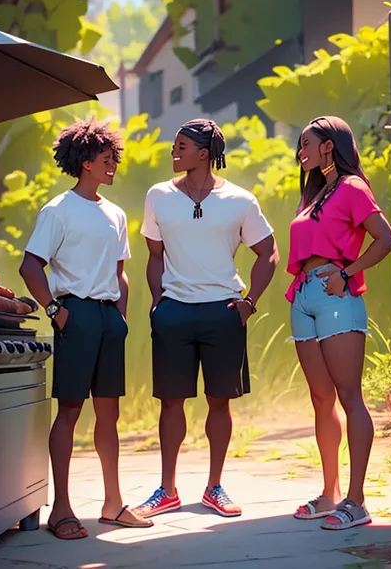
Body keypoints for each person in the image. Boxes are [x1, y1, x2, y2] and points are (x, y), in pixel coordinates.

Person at [135, 119, 278, 519]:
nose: (173, 151)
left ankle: (215, 486)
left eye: (181, 145)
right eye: (174, 145)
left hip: (224, 311)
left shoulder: (241, 200)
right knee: (170, 402)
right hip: (174, 312)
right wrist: (158, 303)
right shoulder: (158, 196)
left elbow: (268, 251)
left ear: (204, 153)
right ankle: (167, 490)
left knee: (221, 402)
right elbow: (155, 256)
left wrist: (250, 302)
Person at [19, 119, 152, 540]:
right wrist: (56, 310)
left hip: (108, 319)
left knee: (109, 415)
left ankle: (113, 504)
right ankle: (61, 509)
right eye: (106, 157)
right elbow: (30, 265)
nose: (113, 163)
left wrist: (122, 318)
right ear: (85, 162)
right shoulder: (57, 210)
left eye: (115, 157)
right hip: (74, 316)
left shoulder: (114, 213)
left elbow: (121, 273)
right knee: (71, 411)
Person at [288, 116, 391, 530]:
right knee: (321, 399)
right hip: (303, 297)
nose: (301, 152)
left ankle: (357, 500)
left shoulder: (352, 189)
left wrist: (348, 273)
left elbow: (385, 238)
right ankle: (330, 493)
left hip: (337, 293)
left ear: (329, 146)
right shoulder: (316, 193)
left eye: (307, 143)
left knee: (350, 395)